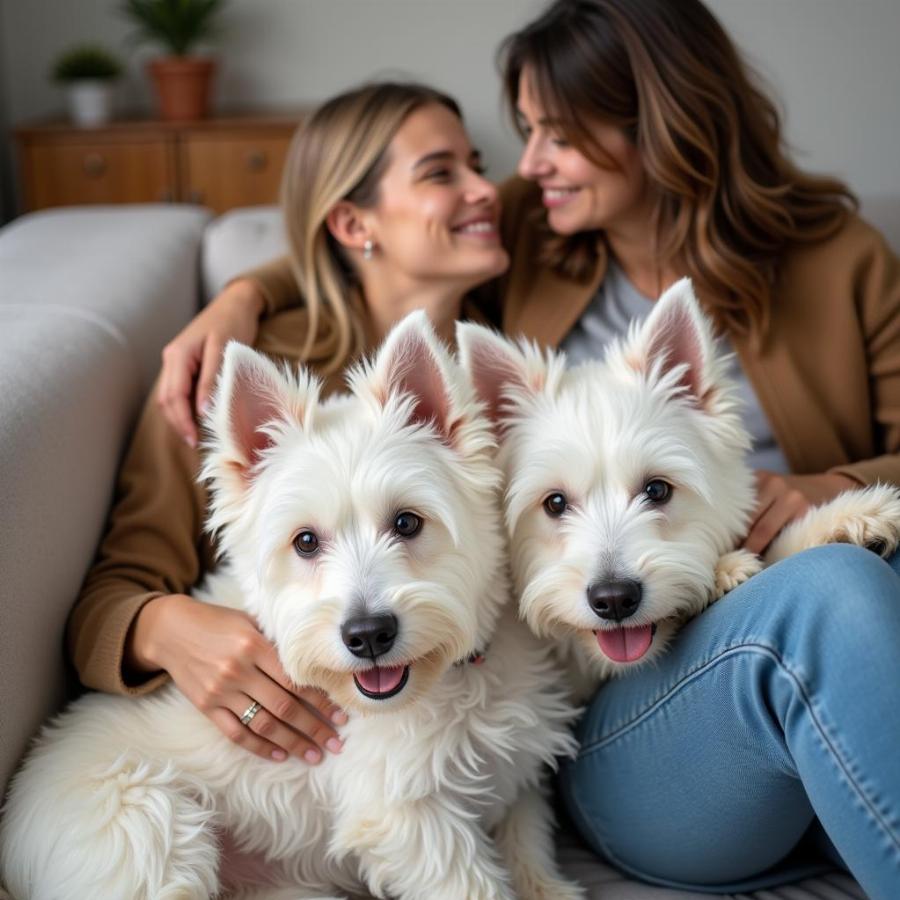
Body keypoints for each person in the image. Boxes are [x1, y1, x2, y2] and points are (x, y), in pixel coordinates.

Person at [148, 1, 900, 896]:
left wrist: (828, 484)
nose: (521, 168)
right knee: (831, 590)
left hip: (776, 624)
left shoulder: (839, 259)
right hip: (621, 711)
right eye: (523, 135)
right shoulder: (541, 244)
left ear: (663, 124)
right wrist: (238, 294)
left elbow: (410, 222)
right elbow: (377, 234)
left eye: (558, 134)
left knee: (842, 584)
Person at [67, 81, 508, 767]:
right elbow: (109, 595)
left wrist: (248, 286)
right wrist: (167, 631)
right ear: (353, 225)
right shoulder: (239, 381)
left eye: (477, 164)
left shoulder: (512, 351)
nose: (485, 189)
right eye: (441, 174)